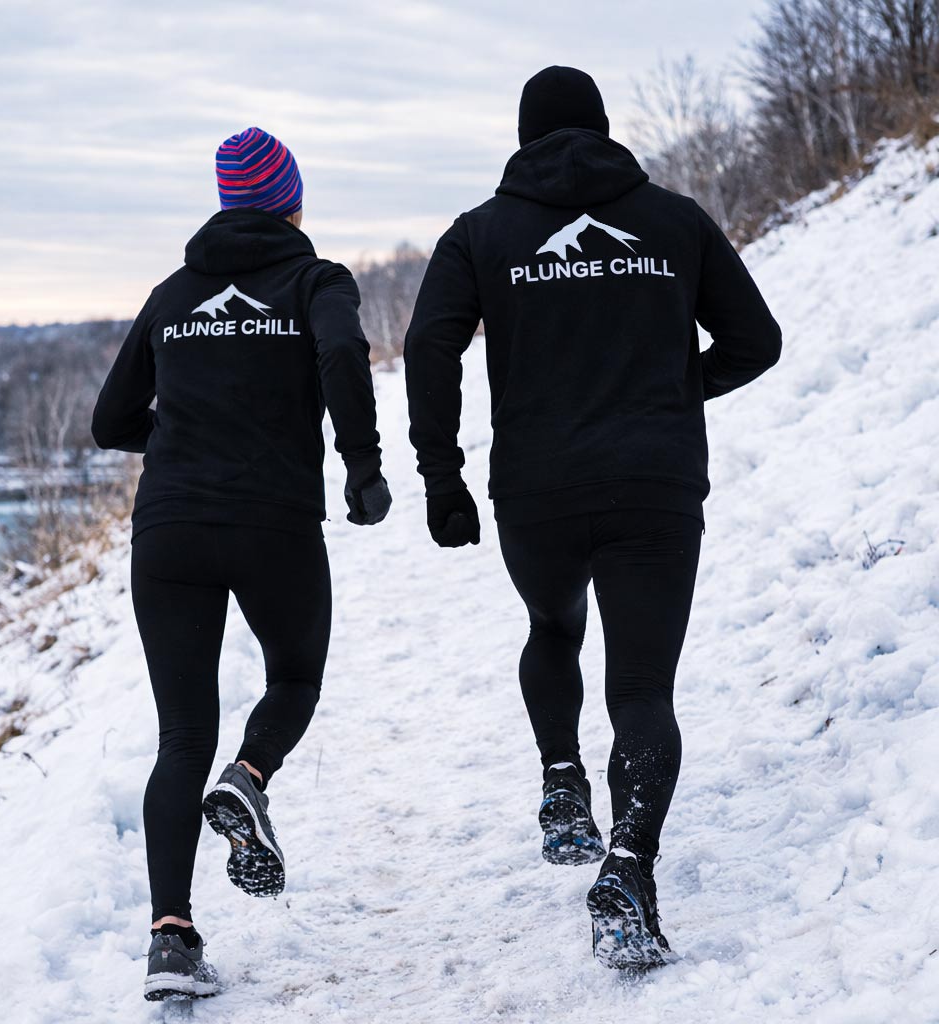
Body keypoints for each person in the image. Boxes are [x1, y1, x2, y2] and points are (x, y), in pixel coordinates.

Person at [404, 66, 781, 969]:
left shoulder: (480, 234)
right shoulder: (675, 220)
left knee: (552, 624)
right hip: (655, 482)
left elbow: (427, 345)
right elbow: (756, 341)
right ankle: (628, 866)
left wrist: (441, 477)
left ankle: (562, 780)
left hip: (537, 490)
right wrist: (674, 388)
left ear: (525, 136)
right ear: (605, 129)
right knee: (643, 688)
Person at [91, 125, 391, 1002]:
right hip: (273, 523)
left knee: (180, 731)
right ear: (291, 201)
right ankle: (249, 778)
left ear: (226, 203)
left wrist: (189, 438)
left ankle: (171, 941)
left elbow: (111, 423)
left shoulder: (172, 293)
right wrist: (360, 463)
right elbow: (338, 352)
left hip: (171, 528)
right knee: (295, 676)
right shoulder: (315, 280)